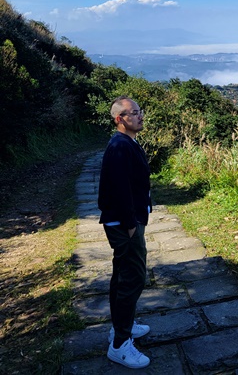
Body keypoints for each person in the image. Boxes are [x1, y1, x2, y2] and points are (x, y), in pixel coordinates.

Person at [98, 96, 152, 369]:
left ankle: (122, 327)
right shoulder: (120, 146)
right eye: (134, 113)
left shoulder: (126, 142)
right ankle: (120, 345)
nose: (140, 116)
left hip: (124, 221)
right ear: (120, 119)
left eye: (140, 111)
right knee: (133, 278)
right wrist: (131, 224)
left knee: (121, 276)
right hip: (124, 224)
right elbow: (119, 189)